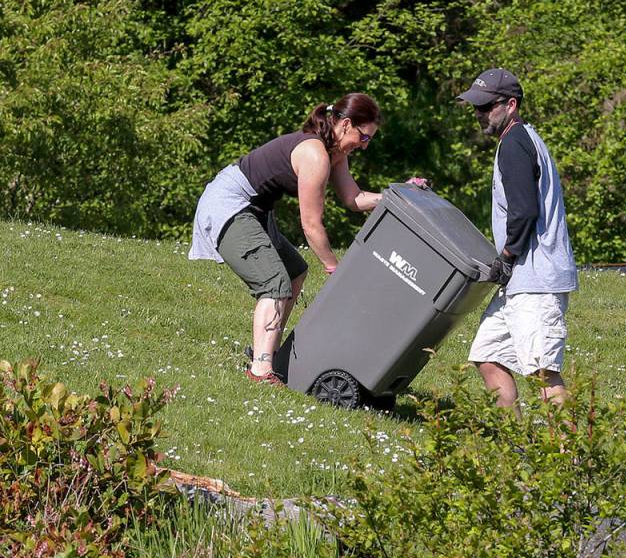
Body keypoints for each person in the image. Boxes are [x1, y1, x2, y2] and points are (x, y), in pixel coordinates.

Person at [189, 93, 427, 385]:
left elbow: (354, 198)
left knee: (294, 273)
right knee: (274, 283)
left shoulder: (335, 153)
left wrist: (400, 194)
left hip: (255, 208)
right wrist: (333, 267)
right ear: (346, 125)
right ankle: (261, 370)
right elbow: (311, 225)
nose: (365, 146)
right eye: (364, 138)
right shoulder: (315, 154)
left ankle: (269, 351)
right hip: (229, 204)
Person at [457, 68, 578, 408]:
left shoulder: (514, 144)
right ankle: (514, 447)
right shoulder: (518, 139)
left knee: (542, 373)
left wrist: (506, 257)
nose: (479, 114)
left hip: (535, 280)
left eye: (485, 107)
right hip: (521, 282)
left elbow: (523, 211)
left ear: (510, 105)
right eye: (476, 108)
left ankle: (573, 457)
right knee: (488, 356)